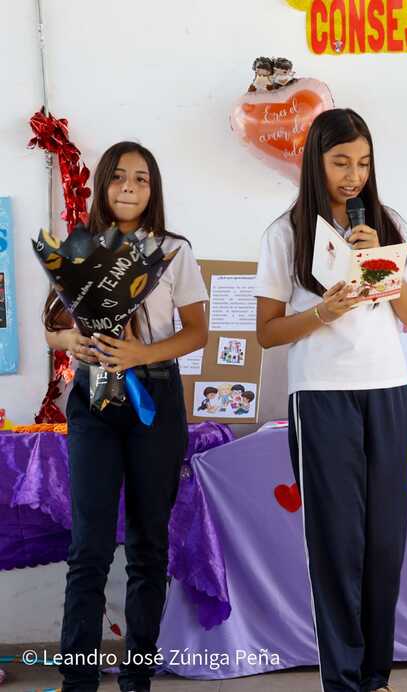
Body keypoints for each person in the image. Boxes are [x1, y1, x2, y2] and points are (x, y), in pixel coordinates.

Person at [255, 108, 407, 692]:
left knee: (384, 541)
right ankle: (344, 680)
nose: (354, 176)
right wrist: (322, 312)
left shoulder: (388, 223)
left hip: (387, 393)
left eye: (363, 163)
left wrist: (380, 261)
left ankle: (377, 675)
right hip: (321, 398)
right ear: (315, 162)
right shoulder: (286, 233)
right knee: (336, 543)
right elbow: (267, 332)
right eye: (340, 162)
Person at [44, 141, 208, 692]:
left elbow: (196, 331)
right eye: (118, 178)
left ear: (154, 188)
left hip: (154, 402)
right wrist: (74, 340)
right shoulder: (79, 246)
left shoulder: (174, 250)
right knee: (87, 547)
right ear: (102, 187)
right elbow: (54, 327)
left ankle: (137, 680)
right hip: (92, 402)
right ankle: (78, 684)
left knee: (147, 546)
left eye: (141, 178)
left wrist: (139, 353)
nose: (129, 187)